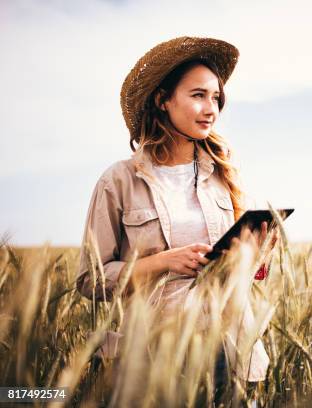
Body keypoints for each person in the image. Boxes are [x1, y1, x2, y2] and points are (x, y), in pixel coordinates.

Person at [75, 36, 275, 403]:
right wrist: (161, 262)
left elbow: (244, 277)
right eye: (198, 95)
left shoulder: (224, 175)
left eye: (216, 98)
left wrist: (255, 256)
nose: (211, 108)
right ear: (162, 99)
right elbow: (91, 281)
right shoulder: (118, 181)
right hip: (152, 353)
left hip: (224, 351)